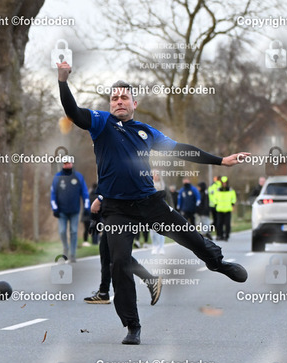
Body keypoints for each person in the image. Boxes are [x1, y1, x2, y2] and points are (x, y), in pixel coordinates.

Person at [57, 62, 249, 345]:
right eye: (114, 98)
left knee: (189, 235)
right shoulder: (100, 123)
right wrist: (62, 81)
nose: (119, 101)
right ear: (109, 104)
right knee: (119, 263)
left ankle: (217, 263)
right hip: (116, 209)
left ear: (134, 103)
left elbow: (182, 150)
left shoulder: (147, 132)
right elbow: (73, 112)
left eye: (124, 97)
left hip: (149, 202)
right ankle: (132, 325)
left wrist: (221, 161)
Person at [84, 197, 162, 305]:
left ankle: (149, 280)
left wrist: (100, 199)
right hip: (118, 209)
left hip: (121, 210)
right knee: (108, 251)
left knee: (117, 253)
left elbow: (115, 186)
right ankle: (103, 292)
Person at [50, 156, 90, 262]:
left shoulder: (78, 177)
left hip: (75, 210)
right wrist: (55, 208)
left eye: (69, 163)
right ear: (63, 165)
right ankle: (65, 248)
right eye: (65, 163)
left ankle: (72, 254)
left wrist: (86, 207)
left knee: (74, 231)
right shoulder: (57, 177)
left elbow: (85, 193)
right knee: (62, 231)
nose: (67, 165)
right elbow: (53, 194)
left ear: (72, 163)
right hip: (61, 211)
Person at [215, 176, 236, 241]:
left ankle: (226, 236)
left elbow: (233, 198)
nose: (224, 184)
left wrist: (232, 204)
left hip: (227, 209)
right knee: (219, 223)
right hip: (220, 209)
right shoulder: (218, 190)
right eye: (223, 183)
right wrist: (216, 204)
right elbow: (215, 198)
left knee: (227, 224)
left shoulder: (230, 190)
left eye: (225, 183)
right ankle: (220, 235)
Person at [150, 170, 166, 254]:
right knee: (152, 229)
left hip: (161, 209)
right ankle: (155, 246)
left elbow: (168, 197)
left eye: (156, 175)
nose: (155, 176)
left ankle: (161, 247)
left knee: (161, 229)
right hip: (150, 209)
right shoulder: (149, 184)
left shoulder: (163, 186)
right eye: (154, 175)